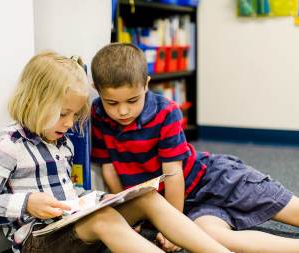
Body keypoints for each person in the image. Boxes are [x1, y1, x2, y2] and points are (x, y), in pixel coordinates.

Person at [0, 51, 232, 253]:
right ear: (34, 102)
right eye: (62, 114)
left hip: (72, 225)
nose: (69, 123)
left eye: (74, 114)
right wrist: (27, 203)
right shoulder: (10, 145)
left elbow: (68, 193)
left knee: (146, 197)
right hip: (39, 239)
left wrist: (105, 198)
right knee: (104, 219)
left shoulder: (61, 141)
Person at [90, 42, 299, 253]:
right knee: (213, 238)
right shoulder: (97, 114)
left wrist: (172, 224)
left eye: (132, 100)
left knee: (293, 211)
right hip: (189, 205)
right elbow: (109, 168)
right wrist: (127, 213)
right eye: (112, 103)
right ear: (96, 91)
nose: (123, 111)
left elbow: (173, 173)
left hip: (216, 179)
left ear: (146, 84)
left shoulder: (166, 112)